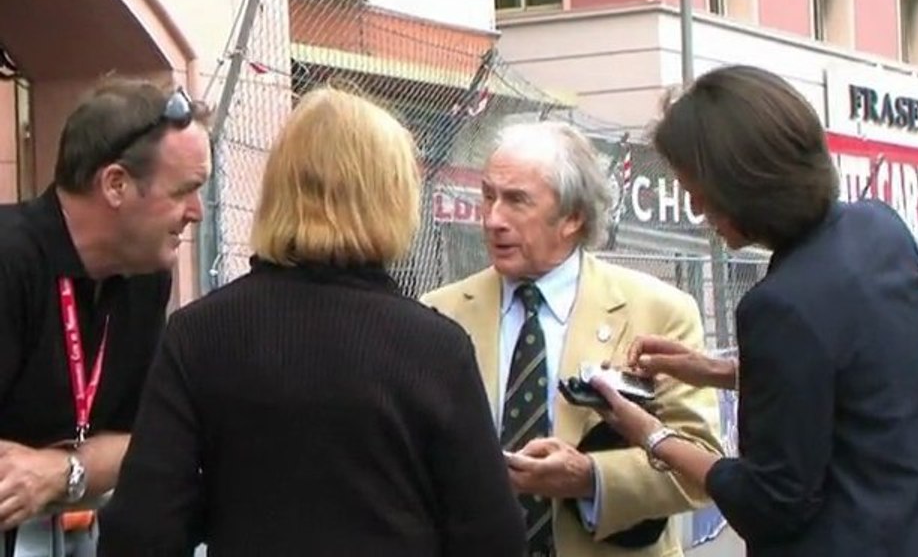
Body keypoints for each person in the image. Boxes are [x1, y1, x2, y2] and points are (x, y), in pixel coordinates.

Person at [96, 87, 527, 556]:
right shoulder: (435, 349)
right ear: (392, 199)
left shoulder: (198, 335)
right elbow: (493, 537)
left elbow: (141, 529)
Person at [591, 65, 918, 557]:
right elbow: (856, 381)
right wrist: (716, 371)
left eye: (695, 188)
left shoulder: (780, 305)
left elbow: (770, 501)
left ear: (741, 185)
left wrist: (653, 436)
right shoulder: (877, 228)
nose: (696, 208)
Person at [421, 120, 724, 557]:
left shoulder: (658, 312)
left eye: (516, 200)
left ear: (572, 217)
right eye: (488, 195)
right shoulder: (439, 314)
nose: (492, 219)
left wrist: (590, 478)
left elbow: (700, 469)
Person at [0, 76, 211, 555]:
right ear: (116, 184)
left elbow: (150, 442)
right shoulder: (10, 261)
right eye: (185, 190)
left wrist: (64, 472)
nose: (196, 212)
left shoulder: (145, 277)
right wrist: (93, 464)